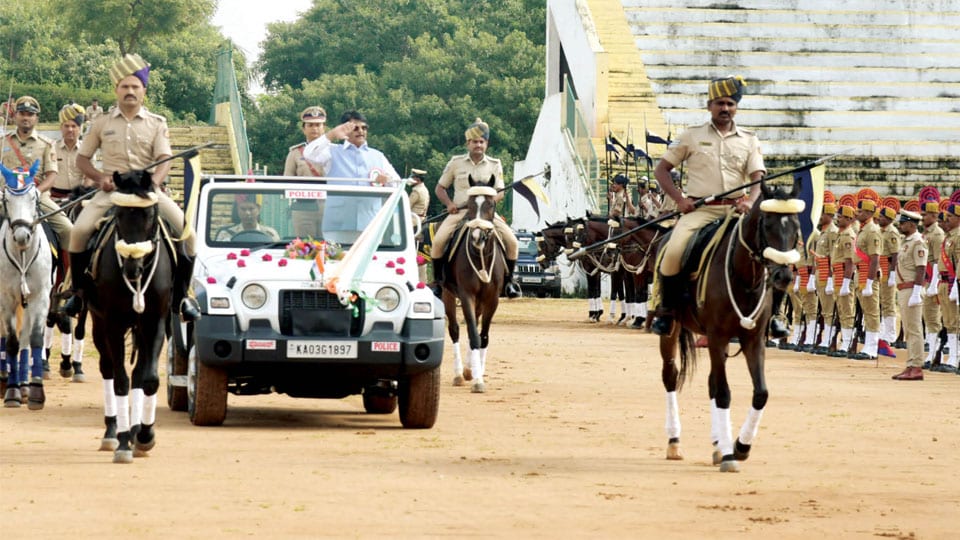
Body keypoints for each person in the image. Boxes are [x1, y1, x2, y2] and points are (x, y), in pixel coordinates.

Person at [63, 53, 200, 322]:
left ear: (143, 91)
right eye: (124, 86)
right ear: (116, 90)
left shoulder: (156, 123)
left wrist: (155, 183)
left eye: (135, 87)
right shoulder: (101, 122)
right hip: (111, 193)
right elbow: (82, 159)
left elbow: (164, 160)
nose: (130, 91)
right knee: (78, 232)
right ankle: (77, 295)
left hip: (148, 193)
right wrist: (100, 177)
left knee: (189, 235)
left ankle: (182, 298)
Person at [650, 76, 768, 336]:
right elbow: (661, 171)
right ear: (709, 105)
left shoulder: (749, 139)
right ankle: (667, 311)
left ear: (736, 107)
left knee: (769, 252)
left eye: (730, 103)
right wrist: (680, 200)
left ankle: (773, 314)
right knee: (673, 252)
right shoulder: (691, 136)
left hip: (737, 212)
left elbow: (758, 179)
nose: (725, 108)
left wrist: (750, 200)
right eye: (719, 103)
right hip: (700, 212)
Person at [429, 118, 521, 299]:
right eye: (474, 142)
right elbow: (440, 188)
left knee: (512, 242)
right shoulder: (456, 163)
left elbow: (500, 192)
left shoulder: (495, 164)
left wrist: (485, 202)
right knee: (439, 241)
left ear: (486, 144)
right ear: (467, 143)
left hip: (486, 214)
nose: (478, 145)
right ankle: (438, 282)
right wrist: (449, 204)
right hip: (461, 212)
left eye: (481, 142)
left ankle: (510, 281)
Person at [302, 110, 400, 239]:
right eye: (355, 128)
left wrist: (387, 180)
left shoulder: (377, 155)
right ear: (344, 129)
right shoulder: (332, 151)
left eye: (364, 128)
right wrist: (331, 134)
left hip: (370, 222)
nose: (361, 131)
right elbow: (308, 154)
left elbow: (397, 184)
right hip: (338, 223)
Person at [1, 96, 74, 259]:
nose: (26, 117)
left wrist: (37, 191)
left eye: (30, 114)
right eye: (22, 113)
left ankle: (68, 280)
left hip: (38, 198)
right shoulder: (2, 143)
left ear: (36, 118)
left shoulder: (46, 144)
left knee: (69, 230)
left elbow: (52, 175)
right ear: (15, 116)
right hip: (6, 198)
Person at [892, 210, 926, 381]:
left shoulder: (918, 242)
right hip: (904, 289)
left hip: (912, 288)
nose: (900, 225)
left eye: (903, 223)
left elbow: (921, 268)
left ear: (912, 225)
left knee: (914, 329)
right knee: (909, 329)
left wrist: (917, 291)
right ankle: (911, 364)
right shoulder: (906, 242)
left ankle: (917, 366)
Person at [285, 106, 328, 238]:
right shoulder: (295, 153)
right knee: (305, 247)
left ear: (324, 128)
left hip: (328, 206)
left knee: (331, 247)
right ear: (304, 129)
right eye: (310, 125)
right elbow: (287, 181)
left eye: (318, 125)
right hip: (303, 206)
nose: (314, 128)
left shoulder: (334, 151)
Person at [849, 199, 883, 359]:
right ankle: (868, 345)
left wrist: (869, 283)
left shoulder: (872, 231)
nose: (857, 213)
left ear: (869, 213)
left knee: (871, 312)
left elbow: (875, 259)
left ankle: (872, 346)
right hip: (859, 273)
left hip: (867, 274)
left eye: (861, 211)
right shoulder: (863, 229)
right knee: (866, 311)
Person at [932, 203, 960, 373]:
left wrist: (957, 284)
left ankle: (956, 357)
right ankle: (953, 357)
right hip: (944, 283)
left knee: (956, 322)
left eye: (950, 216)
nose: (946, 219)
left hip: (953, 283)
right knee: (949, 322)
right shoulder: (949, 236)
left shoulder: (958, 236)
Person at [828, 204, 858, 357]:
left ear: (848, 218)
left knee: (847, 311)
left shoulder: (848, 235)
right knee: (841, 309)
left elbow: (849, 261)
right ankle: (844, 340)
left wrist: (847, 281)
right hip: (837, 275)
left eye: (840, 217)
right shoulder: (842, 234)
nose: (838, 219)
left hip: (843, 276)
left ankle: (846, 342)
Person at [919, 201, 945, 368]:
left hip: (934, 281)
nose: (922, 218)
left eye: (925, 215)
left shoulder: (936, 235)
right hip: (927, 280)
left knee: (934, 318)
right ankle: (932, 351)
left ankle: (936, 352)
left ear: (934, 216)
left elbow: (937, 261)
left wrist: (933, 284)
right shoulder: (927, 234)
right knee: (928, 317)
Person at [52, 103, 94, 203]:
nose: (70, 130)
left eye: (74, 126)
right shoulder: (52, 148)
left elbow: (89, 177)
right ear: (61, 128)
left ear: (80, 129)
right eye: (66, 126)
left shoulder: (87, 150)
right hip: (54, 198)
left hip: (78, 197)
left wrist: (82, 195)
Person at [876, 207, 901, 353]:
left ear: (890, 219)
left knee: (888, 302)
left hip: (888, 268)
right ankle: (882, 332)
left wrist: (892, 274)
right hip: (880, 268)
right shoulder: (880, 231)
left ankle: (890, 334)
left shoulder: (892, 232)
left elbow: (895, 254)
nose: (879, 218)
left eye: (882, 216)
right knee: (881, 301)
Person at [215, 195, 279, 242]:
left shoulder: (270, 234)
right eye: (243, 209)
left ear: (259, 209)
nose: (247, 213)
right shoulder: (226, 234)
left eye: (251, 209)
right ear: (238, 210)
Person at [407, 168, 430, 283]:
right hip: (422, 221)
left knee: (411, 251)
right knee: (420, 253)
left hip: (413, 222)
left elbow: (406, 206)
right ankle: (422, 280)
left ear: (417, 179)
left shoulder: (416, 191)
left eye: (413, 177)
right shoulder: (425, 189)